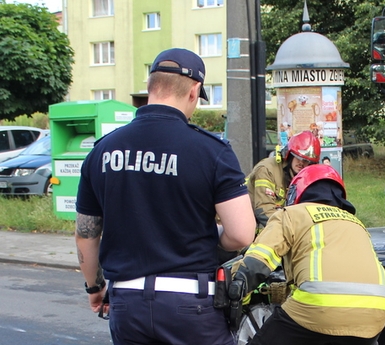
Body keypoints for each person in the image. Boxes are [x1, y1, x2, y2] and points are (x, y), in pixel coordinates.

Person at [75, 48, 255, 345]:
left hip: (126, 303)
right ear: (194, 92)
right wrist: (214, 240)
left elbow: (86, 234)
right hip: (191, 304)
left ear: (151, 87)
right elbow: (242, 233)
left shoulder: (102, 151)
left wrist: (94, 287)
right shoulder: (211, 151)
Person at [232, 164, 385, 345]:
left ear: (296, 192)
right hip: (376, 312)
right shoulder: (357, 223)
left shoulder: (291, 214)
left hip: (318, 307)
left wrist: (238, 291)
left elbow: (257, 262)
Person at [246, 130, 320, 235]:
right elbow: (263, 211)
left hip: (276, 225)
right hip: (244, 229)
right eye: (298, 157)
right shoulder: (267, 169)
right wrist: (293, 232)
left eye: (306, 161)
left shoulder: (301, 177)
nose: (301, 163)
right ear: (289, 154)